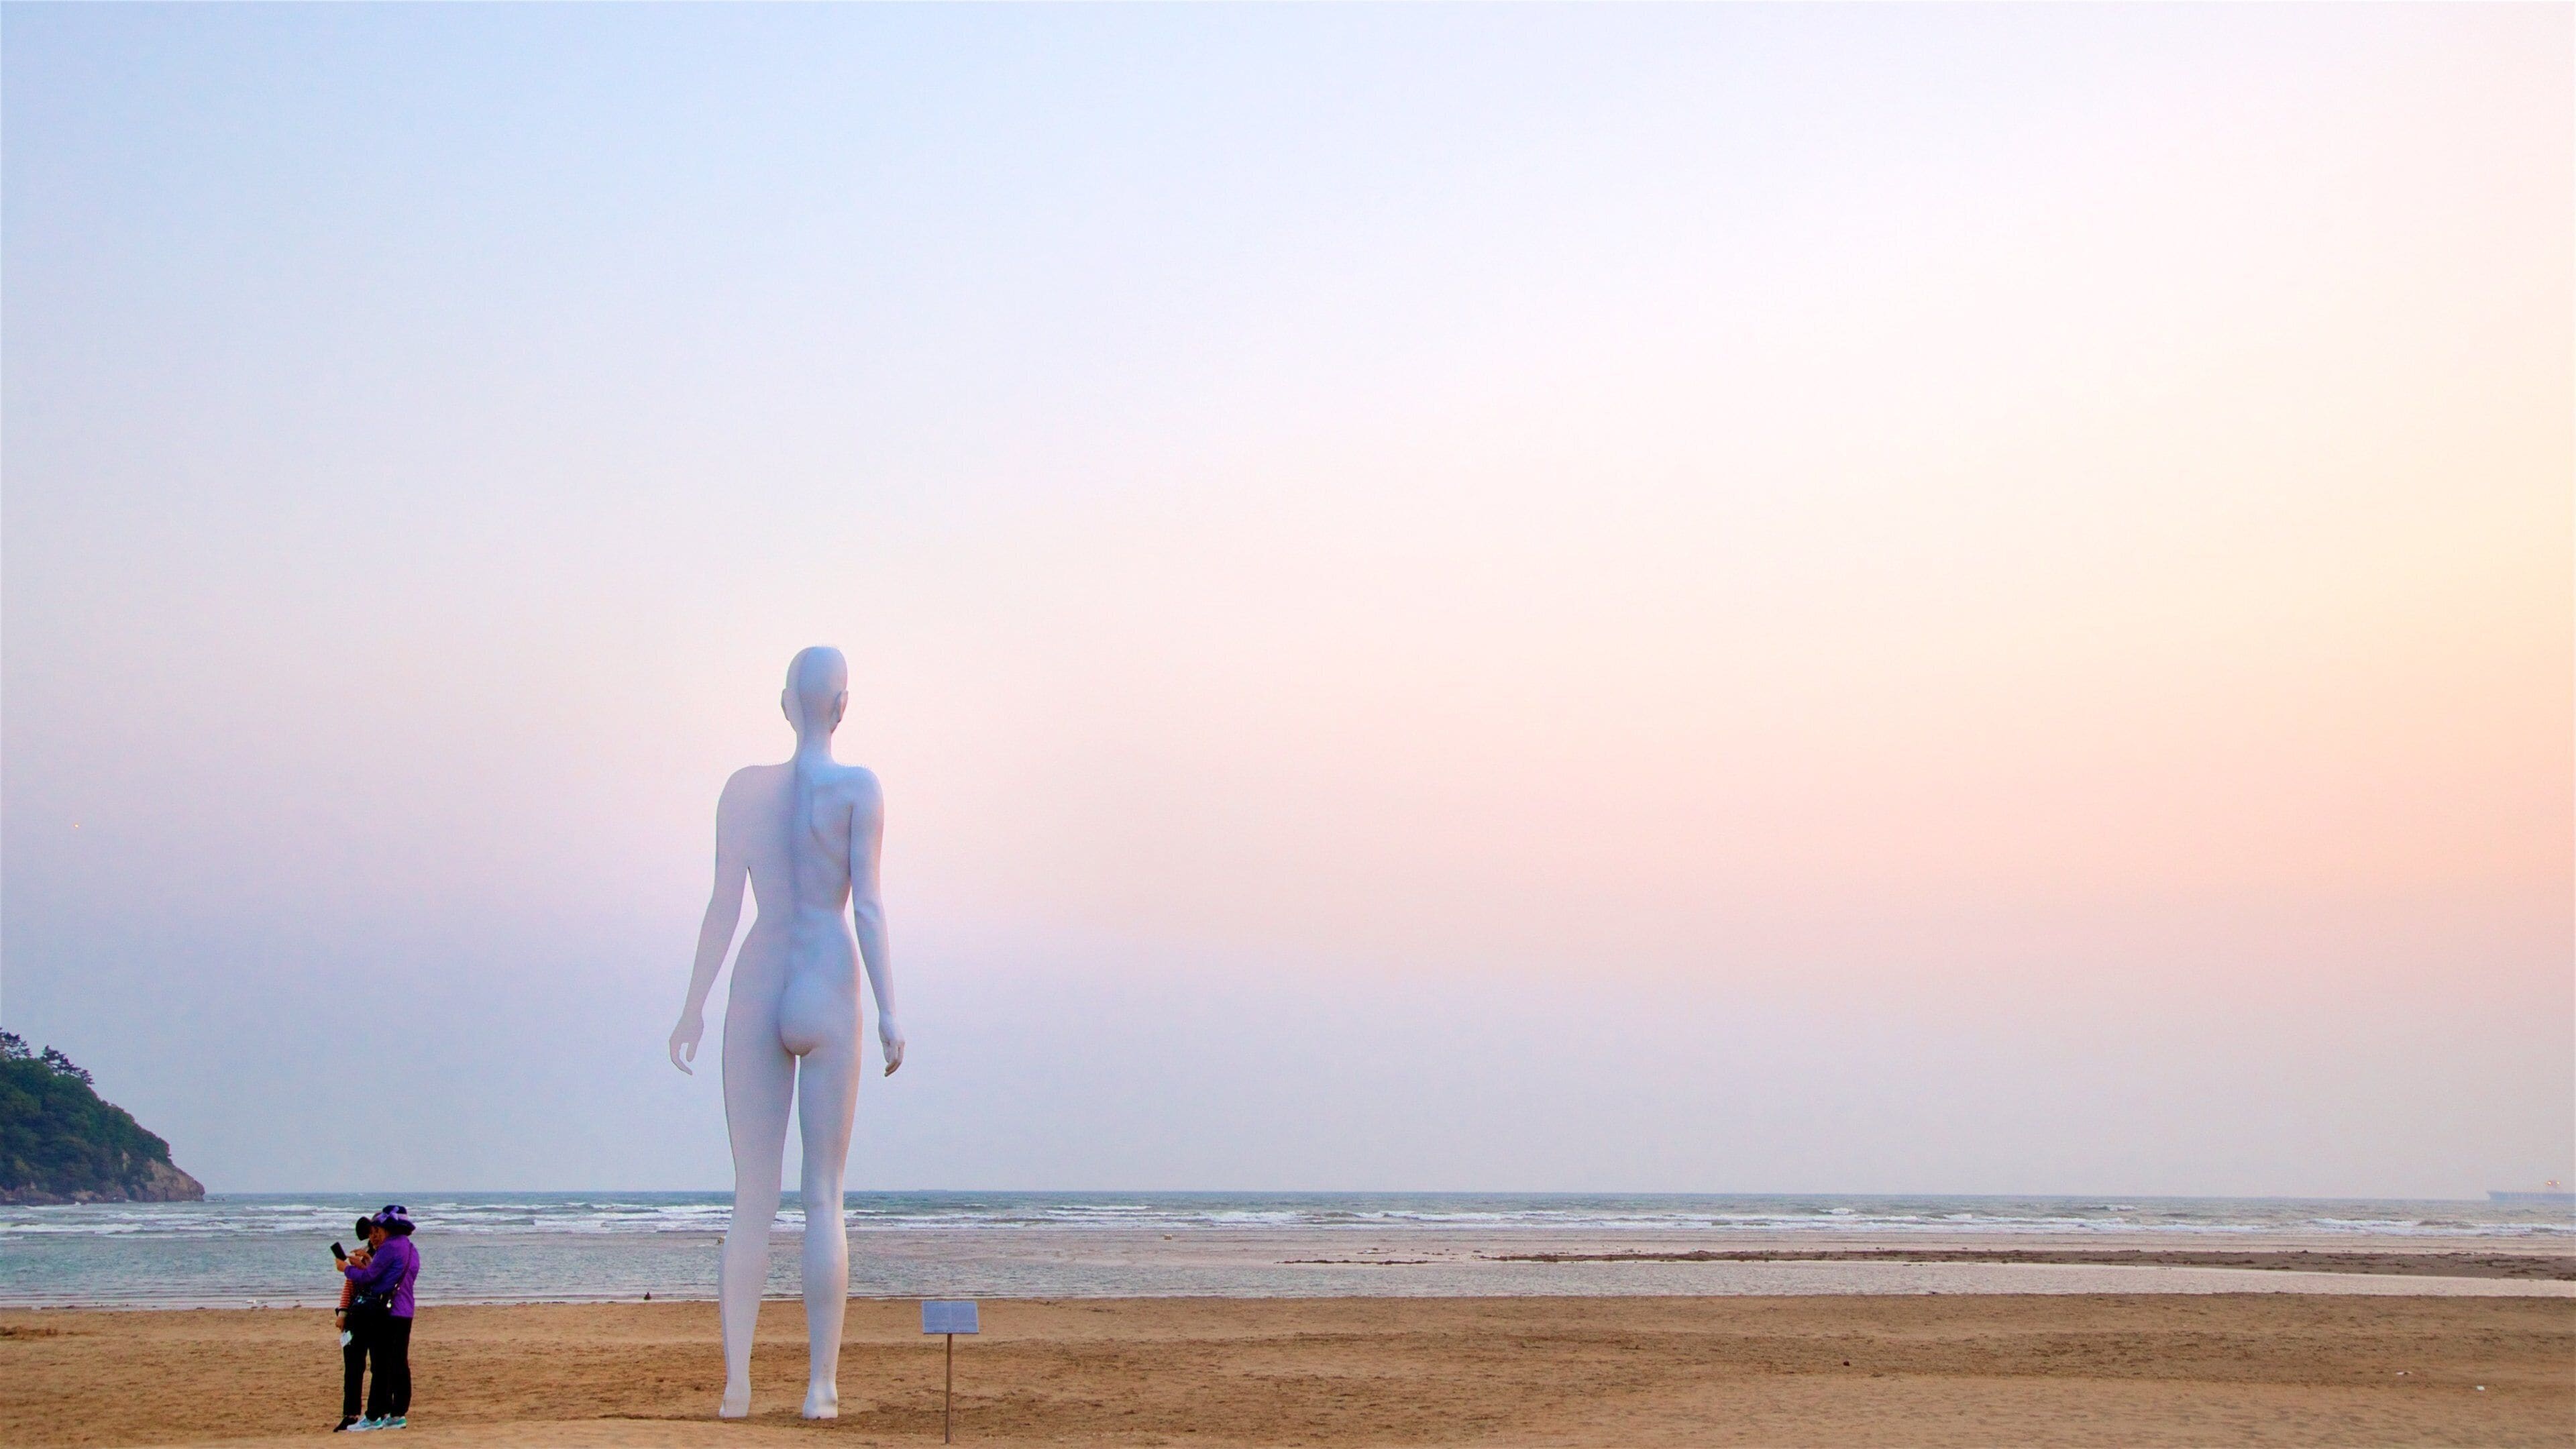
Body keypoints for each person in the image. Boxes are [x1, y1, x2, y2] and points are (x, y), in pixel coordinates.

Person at [339, 1205, 420, 1431]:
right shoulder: (412, 1250)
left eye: (379, 1228)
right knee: (399, 1365)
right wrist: (367, 1264)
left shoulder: (390, 1247)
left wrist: (345, 1269)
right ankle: (397, 1414)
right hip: (406, 1311)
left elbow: (370, 1278)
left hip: (389, 1313)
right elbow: (393, 1276)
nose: (376, 1233)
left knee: (383, 1365)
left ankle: (374, 1416)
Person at [334, 1216, 376, 1432]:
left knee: (379, 1367)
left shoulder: (386, 1255)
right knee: (353, 1367)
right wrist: (342, 1312)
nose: (373, 1236)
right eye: (370, 1233)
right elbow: (350, 1286)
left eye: (375, 1232)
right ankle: (350, 1414)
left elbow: (377, 1279)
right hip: (356, 1315)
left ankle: (378, 1413)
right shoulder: (365, 1252)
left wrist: (365, 1263)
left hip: (377, 1316)